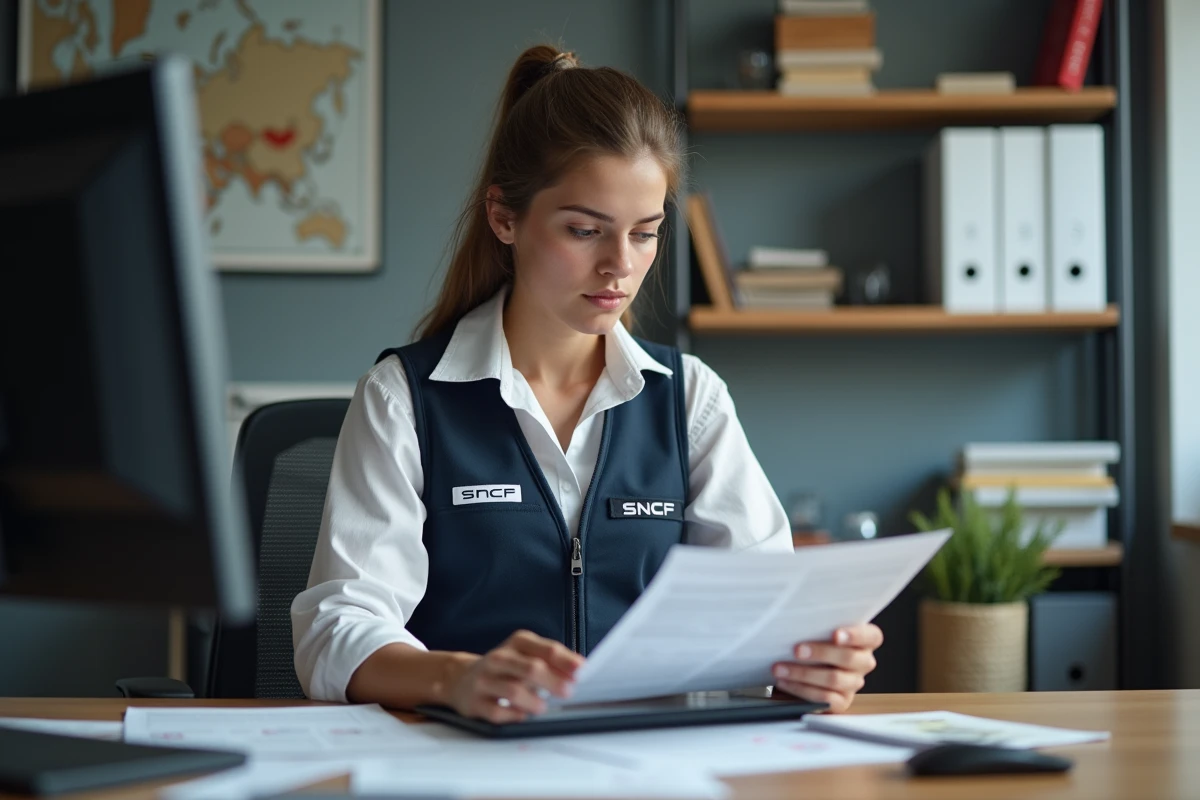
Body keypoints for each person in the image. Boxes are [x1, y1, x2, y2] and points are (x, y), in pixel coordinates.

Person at [291, 44, 883, 722]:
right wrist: (456, 677)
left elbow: (765, 612)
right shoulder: (403, 397)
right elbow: (336, 629)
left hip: (650, 760)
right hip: (464, 756)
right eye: (584, 230)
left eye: (645, 234)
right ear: (504, 217)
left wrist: (806, 666)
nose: (619, 266)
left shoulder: (690, 399)